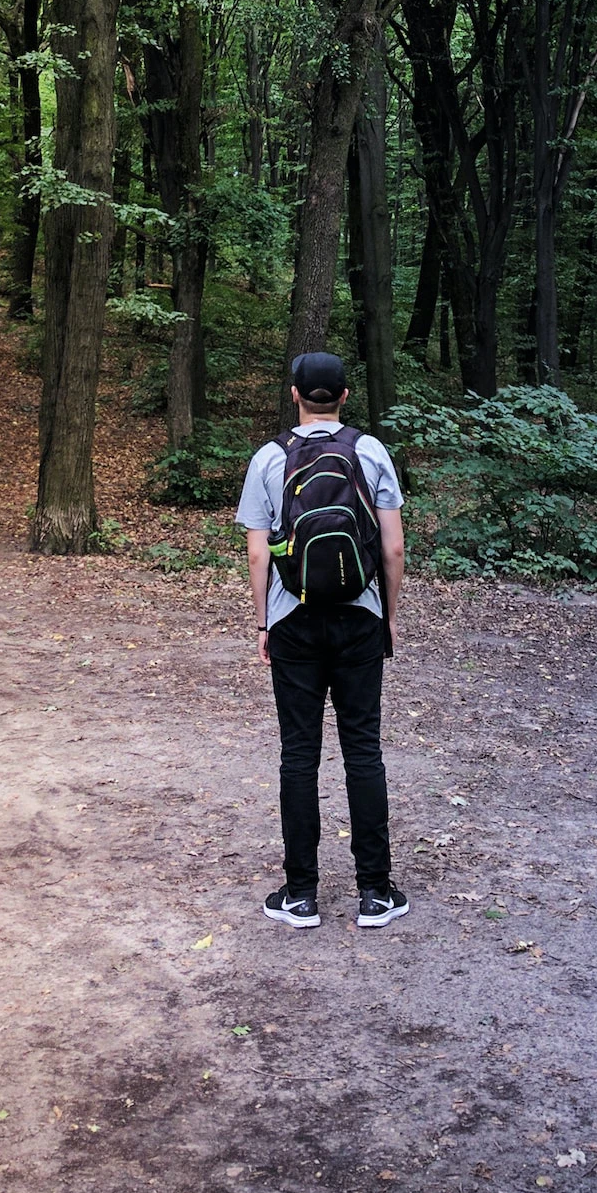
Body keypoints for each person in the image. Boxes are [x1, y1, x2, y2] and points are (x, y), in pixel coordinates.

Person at [235, 350, 409, 930]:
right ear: (344, 395)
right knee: (363, 749)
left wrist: (264, 622)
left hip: (294, 620)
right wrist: (386, 615)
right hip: (360, 616)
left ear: (294, 395)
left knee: (298, 753)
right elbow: (393, 549)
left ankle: (301, 894)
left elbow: (259, 551)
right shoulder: (370, 451)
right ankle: (376, 893)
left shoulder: (268, 457)